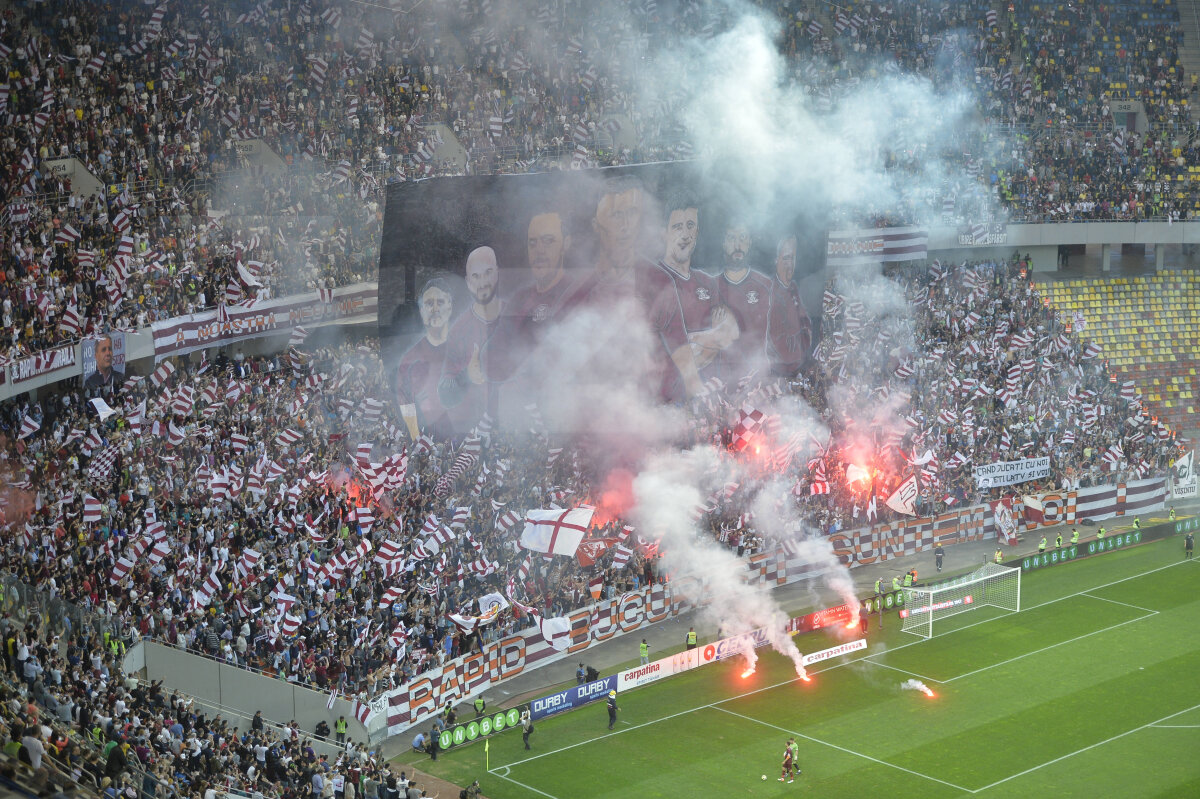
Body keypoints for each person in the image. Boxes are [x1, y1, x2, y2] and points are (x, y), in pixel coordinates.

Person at [560, 176, 706, 399]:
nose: (625, 225)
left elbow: (680, 346)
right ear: (597, 225)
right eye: (616, 215)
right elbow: (569, 365)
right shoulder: (579, 293)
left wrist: (700, 394)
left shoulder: (660, 281)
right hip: (603, 410)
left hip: (654, 410)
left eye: (632, 213)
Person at [440, 246, 504, 432]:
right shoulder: (459, 331)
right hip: (477, 433)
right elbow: (446, 396)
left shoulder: (515, 318)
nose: (482, 282)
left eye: (488, 272)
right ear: (468, 282)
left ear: (497, 273)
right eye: (475, 276)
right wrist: (467, 376)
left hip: (520, 433)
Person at [395, 277, 454, 439]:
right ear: (421, 311)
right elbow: (404, 400)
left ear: (450, 306)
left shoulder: (466, 349)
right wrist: (416, 438)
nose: (435, 308)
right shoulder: (409, 360)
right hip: (430, 441)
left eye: (440, 302)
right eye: (429, 303)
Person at [714, 220, 772, 382]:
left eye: (742, 238)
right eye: (732, 238)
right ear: (724, 243)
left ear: (749, 243)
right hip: (719, 376)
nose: (738, 245)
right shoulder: (711, 287)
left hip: (754, 374)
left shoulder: (765, 285)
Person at [765, 235, 812, 377]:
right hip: (781, 371)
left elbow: (806, 322)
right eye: (786, 258)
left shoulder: (793, 287)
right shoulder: (772, 292)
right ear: (776, 260)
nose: (790, 264)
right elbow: (777, 339)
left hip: (798, 365)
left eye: (793, 258)